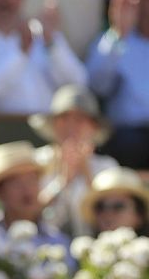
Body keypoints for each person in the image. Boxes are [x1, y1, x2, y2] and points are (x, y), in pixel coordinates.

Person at [87, 0, 149, 169]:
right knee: (130, 144)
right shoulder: (112, 39)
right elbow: (97, 86)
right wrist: (118, 35)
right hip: (130, 137)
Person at [30, 84, 117, 236]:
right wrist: (63, 181)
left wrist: (86, 171)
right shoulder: (36, 161)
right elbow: (29, 210)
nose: (71, 125)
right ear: (54, 124)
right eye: (64, 118)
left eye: (79, 119)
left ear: (93, 126)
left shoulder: (107, 166)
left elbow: (111, 217)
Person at [81, 166, 149, 236]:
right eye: (100, 207)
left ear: (139, 215)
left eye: (118, 206)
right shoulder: (83, 246)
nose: (107, 214)